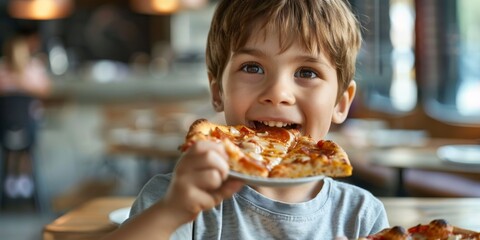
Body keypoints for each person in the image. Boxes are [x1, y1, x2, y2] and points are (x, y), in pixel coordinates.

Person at [104, 0, 389, 239]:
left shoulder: (360, 215)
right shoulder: (178, 196)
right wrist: (171, 211)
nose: (278, 94)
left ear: (341, 103)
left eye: (306, 72)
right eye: (252, 67)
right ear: (218, 92)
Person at [0, 31, 51, 205]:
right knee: (28, 136)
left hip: (6, 130)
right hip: (27, 130)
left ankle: (14, 180)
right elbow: (46, 90)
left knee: (15, 143)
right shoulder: (33, 70)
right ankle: (22, 180)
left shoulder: (3, 71)